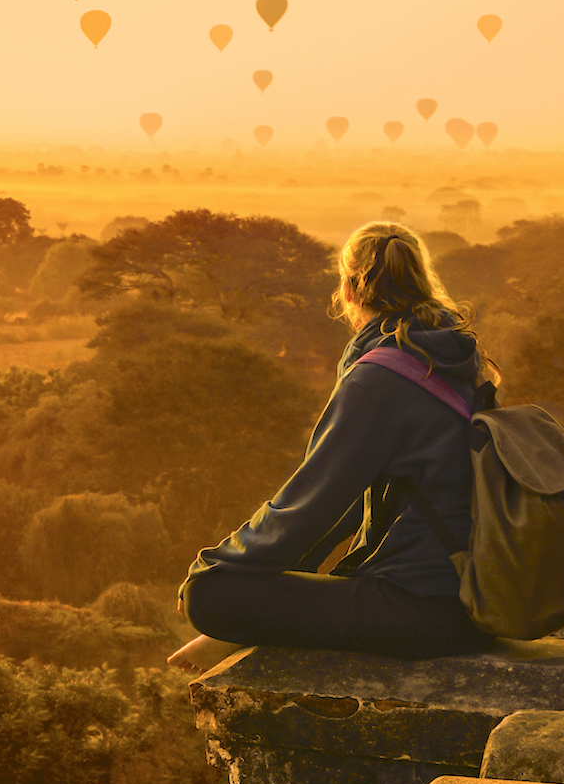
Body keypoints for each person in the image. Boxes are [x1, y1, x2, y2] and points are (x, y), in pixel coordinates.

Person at [168, 221, 500, 674]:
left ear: (347, 290)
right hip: (475, 599)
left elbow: (309, 507)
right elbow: (343, 510)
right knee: (241, 586)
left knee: (210, 595)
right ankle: (231, 633)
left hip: (424, 612)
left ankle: (230, 627)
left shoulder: (379, 378)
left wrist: (213, 568)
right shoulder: (454, 357)